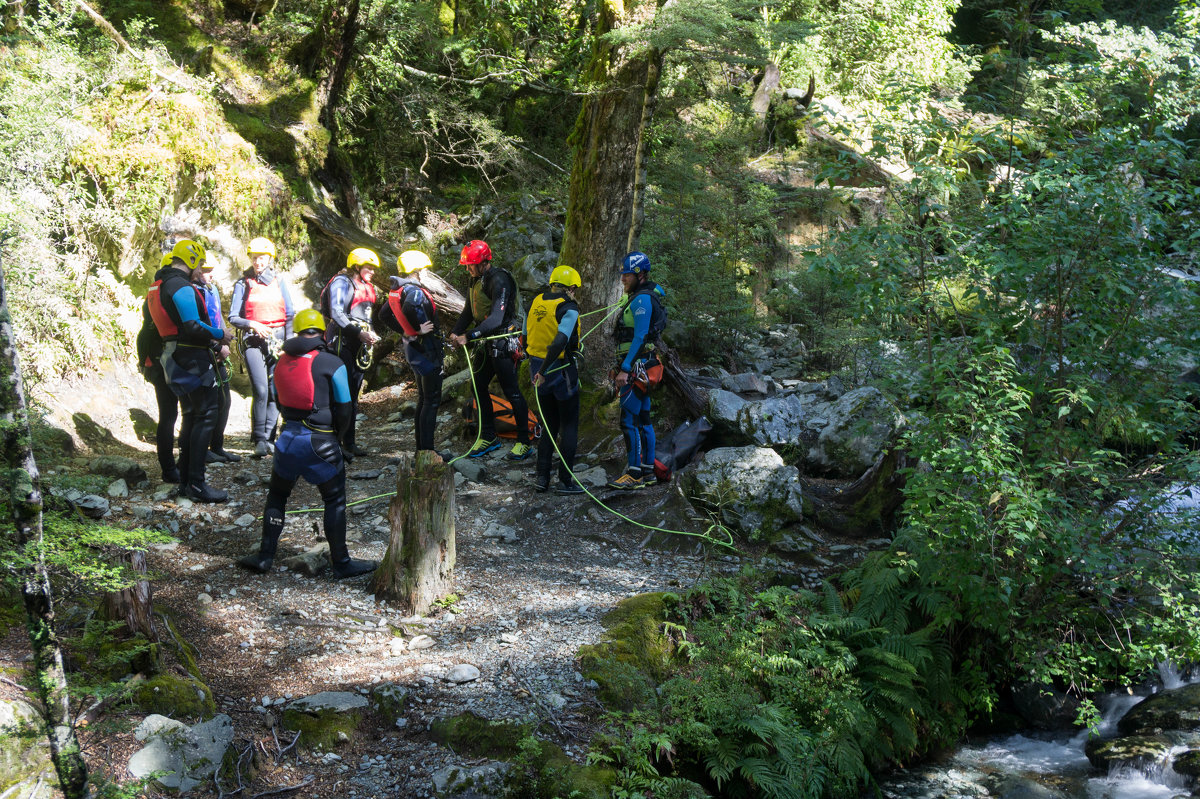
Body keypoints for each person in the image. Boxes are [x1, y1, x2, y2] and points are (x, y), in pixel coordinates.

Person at [237, 309, 377, 579]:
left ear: (296, 332)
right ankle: (341, 563)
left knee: (277, 496)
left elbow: (278, 402)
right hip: (320, 442)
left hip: (287, 440)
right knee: (334, 500)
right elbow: (346, 408)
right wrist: (339, 440)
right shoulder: (331, 362)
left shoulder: (279, 363)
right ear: (323, 332)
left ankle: (265, 556)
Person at [145, 239, 234, 502]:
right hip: (191, 358)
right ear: (191, 260)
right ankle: (195, 483)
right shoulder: (180, 286)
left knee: (191, 416)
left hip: (174, 356)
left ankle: (186, 481)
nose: (201, 271)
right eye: (199, 265)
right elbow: (193, 326)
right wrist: (220, 335)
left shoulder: (159, 284)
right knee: (204, 415)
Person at [448, 239, 532, 460]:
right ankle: (488, 435)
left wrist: (470, 335)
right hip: (485, 343)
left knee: (512, 391)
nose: (468, 268)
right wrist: (456, 331)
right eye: (467, 265)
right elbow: (468, 311)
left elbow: (496, 318)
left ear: (484, 262)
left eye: (471, 264)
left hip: (503, 343)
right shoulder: (475, 280)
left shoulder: (499, 280)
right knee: (478, 387)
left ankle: (524, 441)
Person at [228, 237, 294, 457]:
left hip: (278, 341)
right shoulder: (243, 283)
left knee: (276, 391)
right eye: (254, 257)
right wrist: (253, 324)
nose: (258, 261)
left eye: (262, 257)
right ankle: (259, 439)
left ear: (270, 258)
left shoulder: (279, 280)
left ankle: (269, 437)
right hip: (253, 341)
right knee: (261, 389)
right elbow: (233, 317)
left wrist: (289, 342)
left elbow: (290, 314)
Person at [607, 251, 667, 490]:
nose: (623, 278)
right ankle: (648, 472)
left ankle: (634, 474)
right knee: (643, 418)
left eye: (627, 274)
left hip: (637, 367)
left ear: (640, 274)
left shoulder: (642, 300)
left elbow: (640, 336)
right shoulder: (638, 297)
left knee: (628, 421)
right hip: (643, 365)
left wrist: (624, 368)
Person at [378, 250, 444, 452]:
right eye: (424, 269)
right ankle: (428, 451)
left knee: (424, 398)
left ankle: (422, 449)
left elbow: (384, 315)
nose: (425, 273)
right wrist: (419, 328)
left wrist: (409, 331)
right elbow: (410, 308)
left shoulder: (398, 290)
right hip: (428, 349)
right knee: (431, 401)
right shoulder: (413, 291)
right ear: (417, 271)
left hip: (415, 349)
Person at [526, 265, 584, 494]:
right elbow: (560, 341)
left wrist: (537, 368)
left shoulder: (535, 302)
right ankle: (565, 482)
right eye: (575, 290)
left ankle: (542, 478)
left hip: (536, 370)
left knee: (549, 424)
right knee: (569, 425)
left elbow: (524, 334)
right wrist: (546, 367)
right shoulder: (569, 308)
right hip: (560, 371)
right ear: (570, 288)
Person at [324, 248, 381, 456]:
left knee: (354, 394)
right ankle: (333, 442)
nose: (372, 271)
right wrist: (359, 333)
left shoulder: (366, 286)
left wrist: (370, 333)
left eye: (373, 268)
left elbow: (366, 316)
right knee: (341, 394)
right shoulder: (342, 282)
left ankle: (349, 441)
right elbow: (336, 312)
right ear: (356, 266)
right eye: (369, 267)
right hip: (342, 342)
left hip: (360, 342)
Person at [136, 252, 181, 483]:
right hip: (165, 361)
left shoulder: (152, 295)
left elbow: (145, 332)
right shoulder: (170, 295)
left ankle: (171, 468)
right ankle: (172, 468)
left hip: (154, 361)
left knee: (169, 414)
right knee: (174, 414)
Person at [194, 258, 240, 464]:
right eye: (206, 271)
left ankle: (217, 446)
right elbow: (197, 325)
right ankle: (202, 449)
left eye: (212, 270)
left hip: (217, 349)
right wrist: (216, 345)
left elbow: (218, 318)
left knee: (224, 400)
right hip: (204, 351)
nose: (211, 274)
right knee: (208, 403)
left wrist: (225, 342)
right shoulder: (193, 291)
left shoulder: (211, 289)